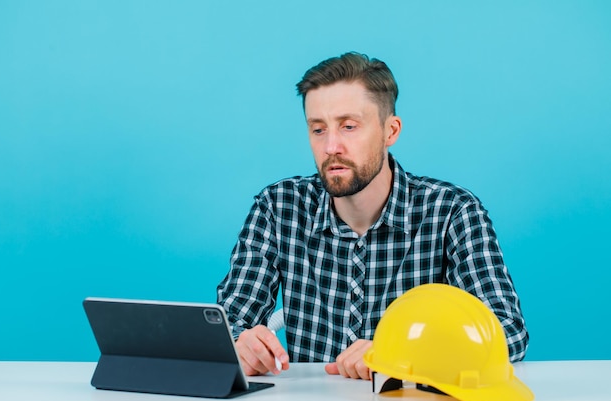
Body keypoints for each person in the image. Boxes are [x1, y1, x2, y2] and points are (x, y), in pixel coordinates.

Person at [217, 52, 529, 380]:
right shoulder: (278, 207)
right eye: (318, 130)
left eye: (349, 126)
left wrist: (401, 353)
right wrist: (241, 343)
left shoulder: (453, 213)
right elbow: (228, 324)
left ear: (390, 131)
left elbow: (507, 335)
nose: (331, 146)